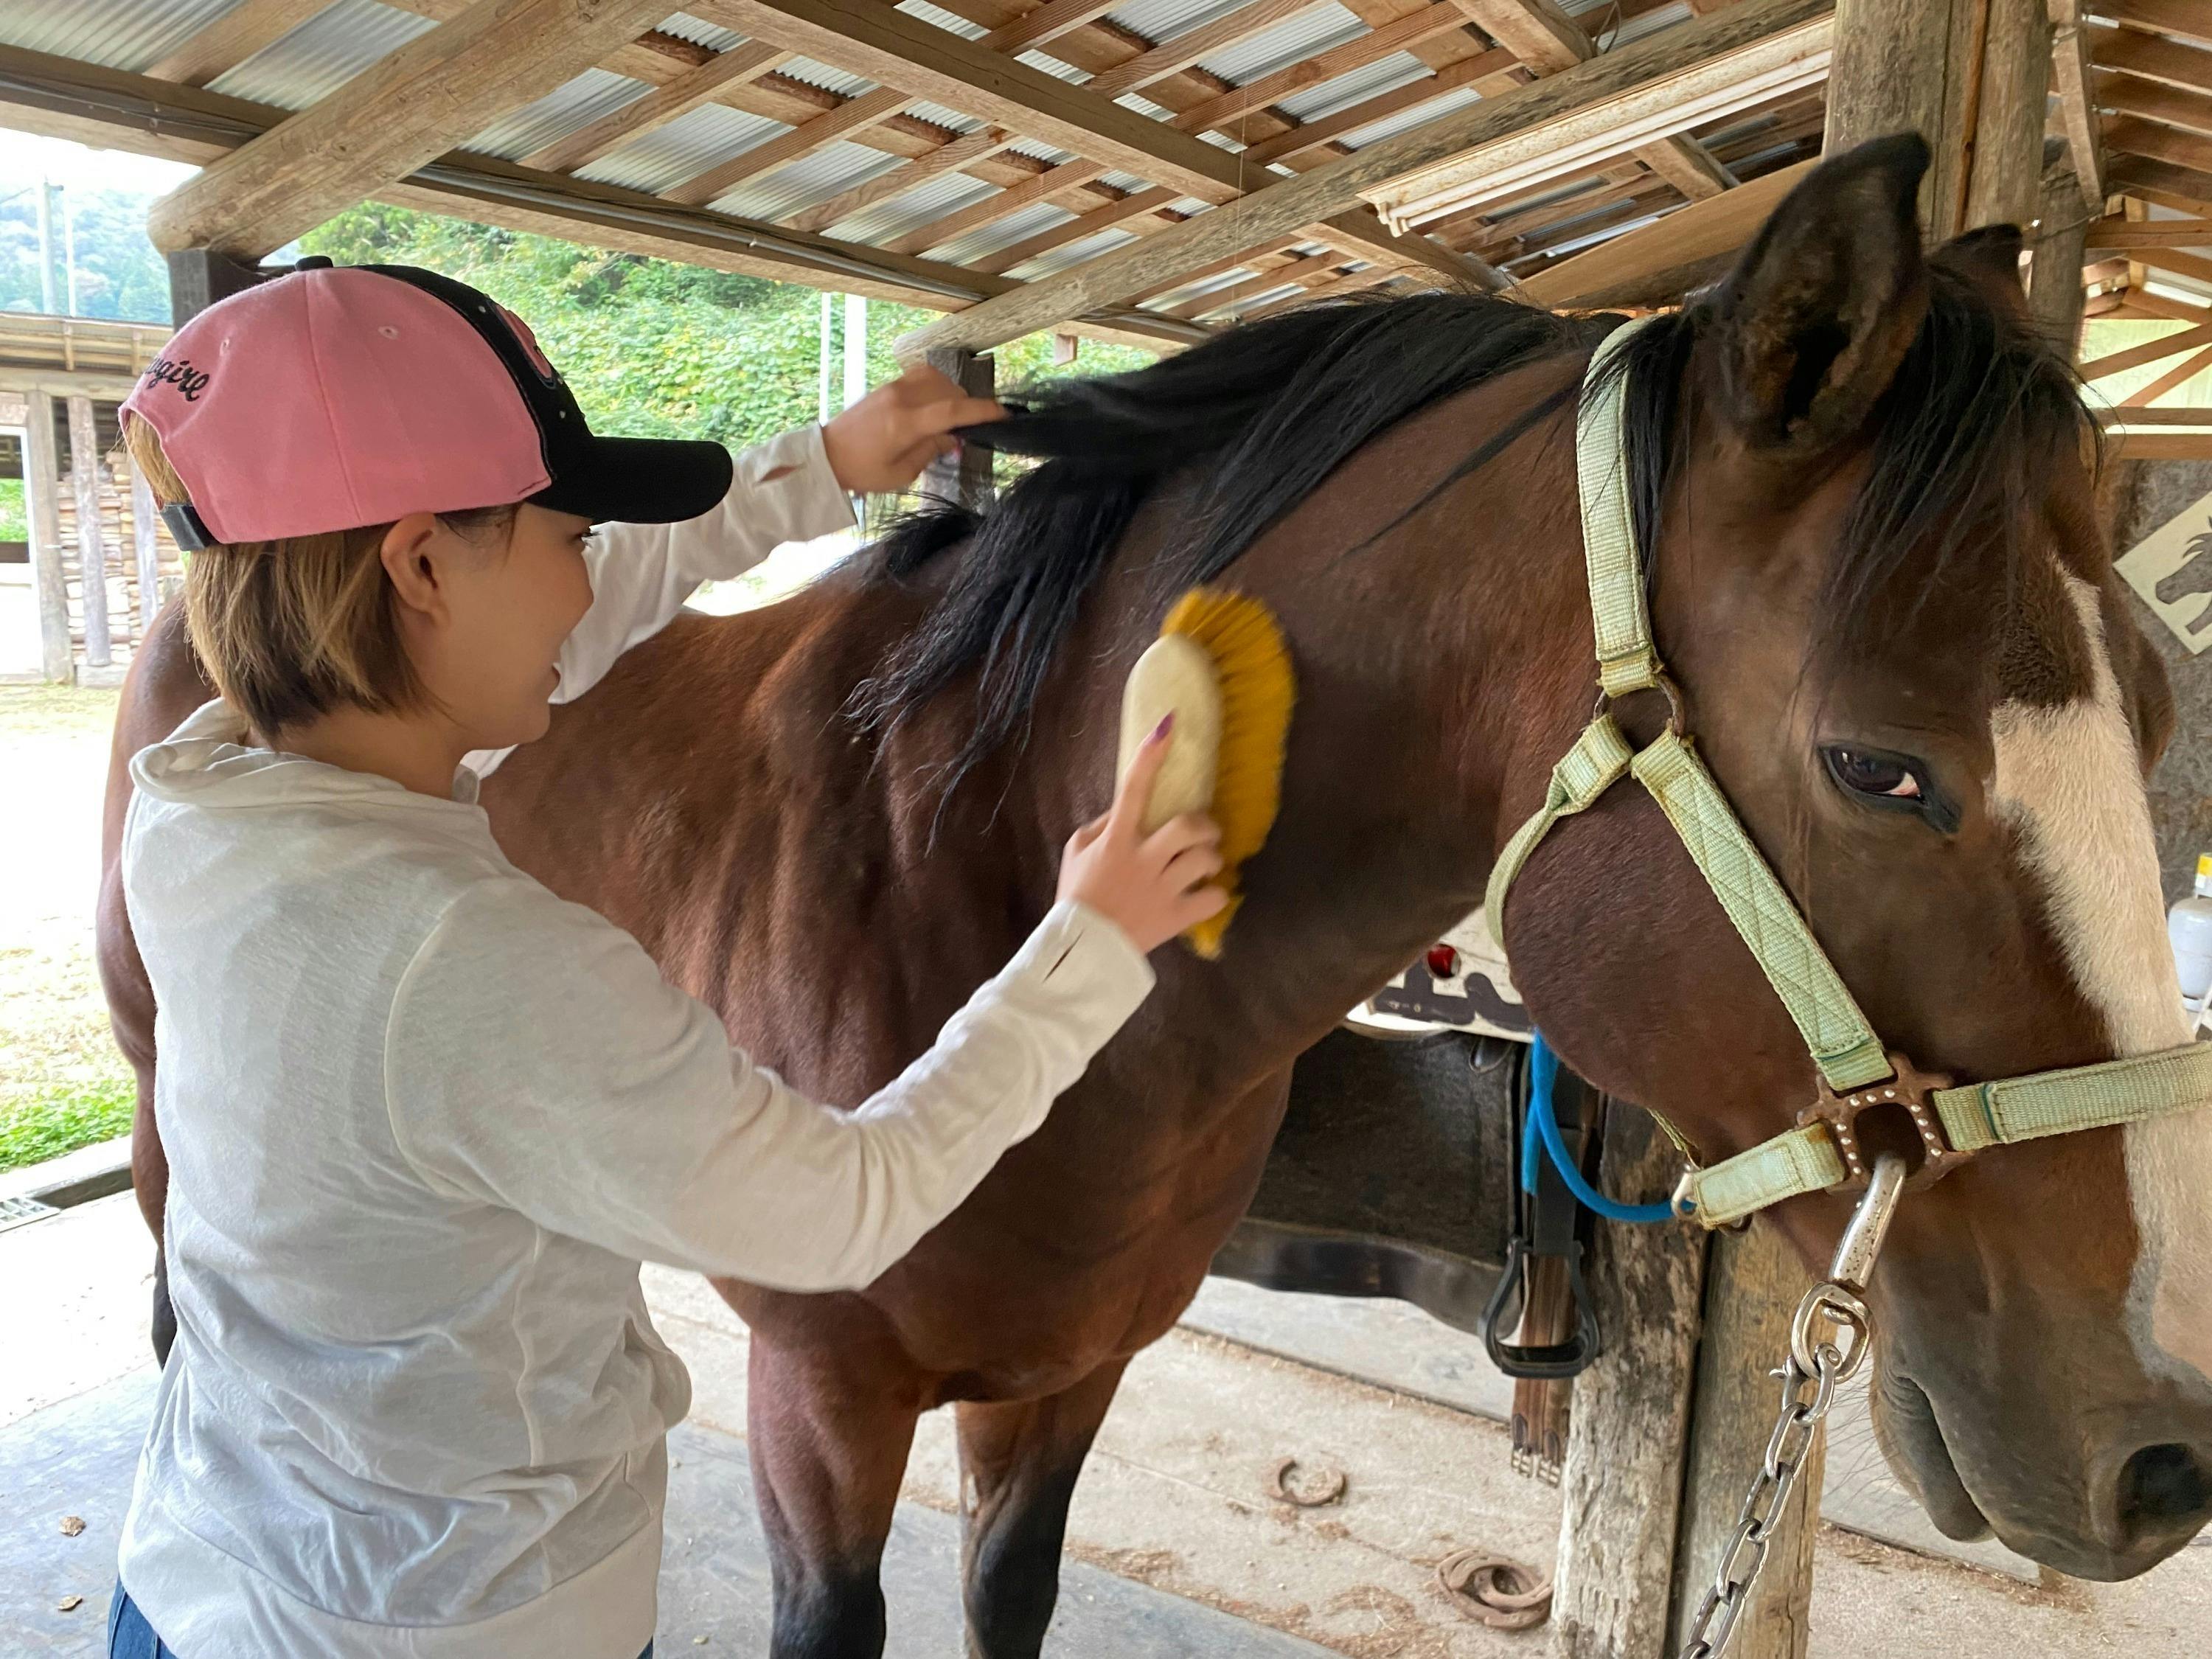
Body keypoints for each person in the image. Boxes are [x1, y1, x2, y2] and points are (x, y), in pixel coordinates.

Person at [105, 259, 1224, 1659]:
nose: (587, 591)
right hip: (457, 1626)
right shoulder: (476, 960)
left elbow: (567, 634)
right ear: (422, 565)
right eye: (567, 533)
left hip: (204, 1564)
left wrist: (825, 466)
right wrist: (1092, 946)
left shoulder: (200, 794)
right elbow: (846, 1213)